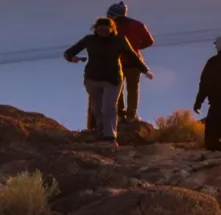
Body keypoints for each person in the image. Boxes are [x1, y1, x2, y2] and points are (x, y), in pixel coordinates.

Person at [64, 17, 154, 145]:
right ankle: (101, 129)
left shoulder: (119, 40)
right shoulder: (89, 40)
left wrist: (145, 71)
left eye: (106, 30)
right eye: (100, 30)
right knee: (97, 106)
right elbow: (68, 52)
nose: (103, 33)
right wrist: (72, 58)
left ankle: (110, 136)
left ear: (112, 29)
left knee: (110, 106)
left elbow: (132, 55)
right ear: (95, 30)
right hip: (92, 79)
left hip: (113, 79)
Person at [108, 2, 155, 122]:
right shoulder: (138, 25)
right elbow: (149, 41)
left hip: (117, 63)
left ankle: (120, 114)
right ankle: (131, 115)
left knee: (117, 90)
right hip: (135, 63)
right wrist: (136, 48)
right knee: (133, 90)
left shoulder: (112, 27)